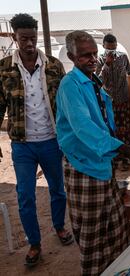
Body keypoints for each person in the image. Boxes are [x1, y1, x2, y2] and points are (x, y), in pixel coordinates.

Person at [56, 31, 130, 275]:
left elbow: (104, 122)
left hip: (102, 164)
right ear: (71, 56)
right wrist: (124, 148)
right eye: (85, 55)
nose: (92, 59)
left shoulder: (93, 81)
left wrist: (117, 149)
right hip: (84, 167)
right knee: (93, 234)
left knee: (116, 227)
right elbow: (83, 128)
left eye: (94, 54)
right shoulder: (70, 85)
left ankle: (117, 270)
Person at [0, 13, 73, 267]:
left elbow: (65, 104)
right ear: (14, 37)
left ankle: (60, 227)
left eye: (33, 38)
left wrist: (71, 136)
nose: (29, 44)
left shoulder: (54, 65)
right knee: (25, 195)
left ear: (37, 36)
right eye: (23, 39)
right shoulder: (3, 68)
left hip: (52, 141)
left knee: (57, 190)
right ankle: (34, 242)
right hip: (22, 145)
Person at [96, 34, 130, 171]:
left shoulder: (122, 57)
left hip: (123, 100)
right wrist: (107, 65)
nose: (111, 52)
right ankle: (115, 159)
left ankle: (127, 158)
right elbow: (97, 81)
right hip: (108, 102)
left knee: (126, 130)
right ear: (103, 47)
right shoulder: (99, 61)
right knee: (111, 130)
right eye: (109, 49)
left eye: (113, 48)